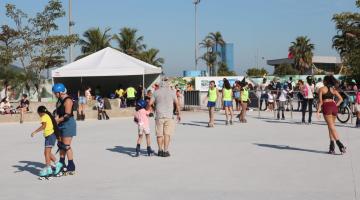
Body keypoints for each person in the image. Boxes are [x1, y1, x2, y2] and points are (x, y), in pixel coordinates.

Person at [148, 78, 181, 157]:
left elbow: (150, 103)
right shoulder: (172, 92)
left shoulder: (156, 92)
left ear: (160, 84)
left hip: (159, 116)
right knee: (167, 134)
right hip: (169, 116)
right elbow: (177, 104)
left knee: (159, 134)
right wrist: (179, 114)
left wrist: (152, 110)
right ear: (168, 84)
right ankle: (165, 151)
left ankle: (160, 150)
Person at [31, 106, 63, 179]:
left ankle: (48, 169)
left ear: (40, 113)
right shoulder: (48, 115)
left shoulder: (44, 117)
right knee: (46, 153)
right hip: (51, 136)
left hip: (50, 136)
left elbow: (43, 126)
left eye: (38, 113)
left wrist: (35, 132)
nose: (38, 115)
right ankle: (58, 164)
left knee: (47, 153)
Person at [316, 75, 346, 154]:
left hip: (326, 107)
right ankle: (331, 147)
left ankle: (340, 145)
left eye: (323, 80)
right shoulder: (333, 89)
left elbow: (320, 102)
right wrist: (336, 105)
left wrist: (318, 111)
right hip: (333, 107)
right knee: (331, 127)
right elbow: (341, 99)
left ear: (325, 81)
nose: (323, 81)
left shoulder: (321, 89)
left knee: (331, 127)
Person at [52, 83, 77, 175]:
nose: (55, 94)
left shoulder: (68, 100)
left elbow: (67, 115)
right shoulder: (59, 100)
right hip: (60, 124)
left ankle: (71, 165)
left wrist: (57, 120)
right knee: (60, 145)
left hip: (68, 124)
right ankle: (62, 163)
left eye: (55, 93)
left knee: (66, 146)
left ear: (60, 92)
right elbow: (58, 111)